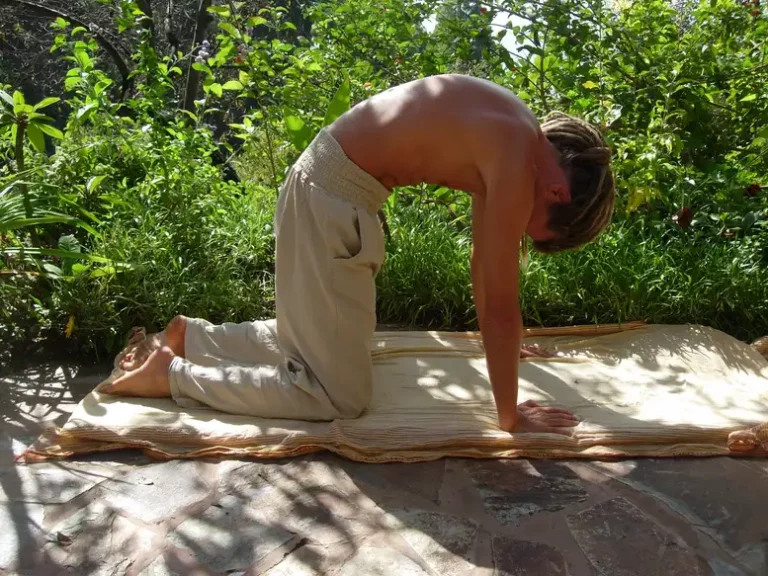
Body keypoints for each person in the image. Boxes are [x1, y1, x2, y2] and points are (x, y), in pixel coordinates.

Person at [103, 74, 615, 435]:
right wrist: (511, 419)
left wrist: (508, 345)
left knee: (324, 341)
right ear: (557, 195)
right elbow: (502, 307)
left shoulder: (514, 132)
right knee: (337, 395)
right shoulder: (515, 155)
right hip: (330, 198)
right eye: (534, 233)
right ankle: (170, 374)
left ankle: (191, 337)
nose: (519, 234)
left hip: (328, 189)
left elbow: (486, 267)